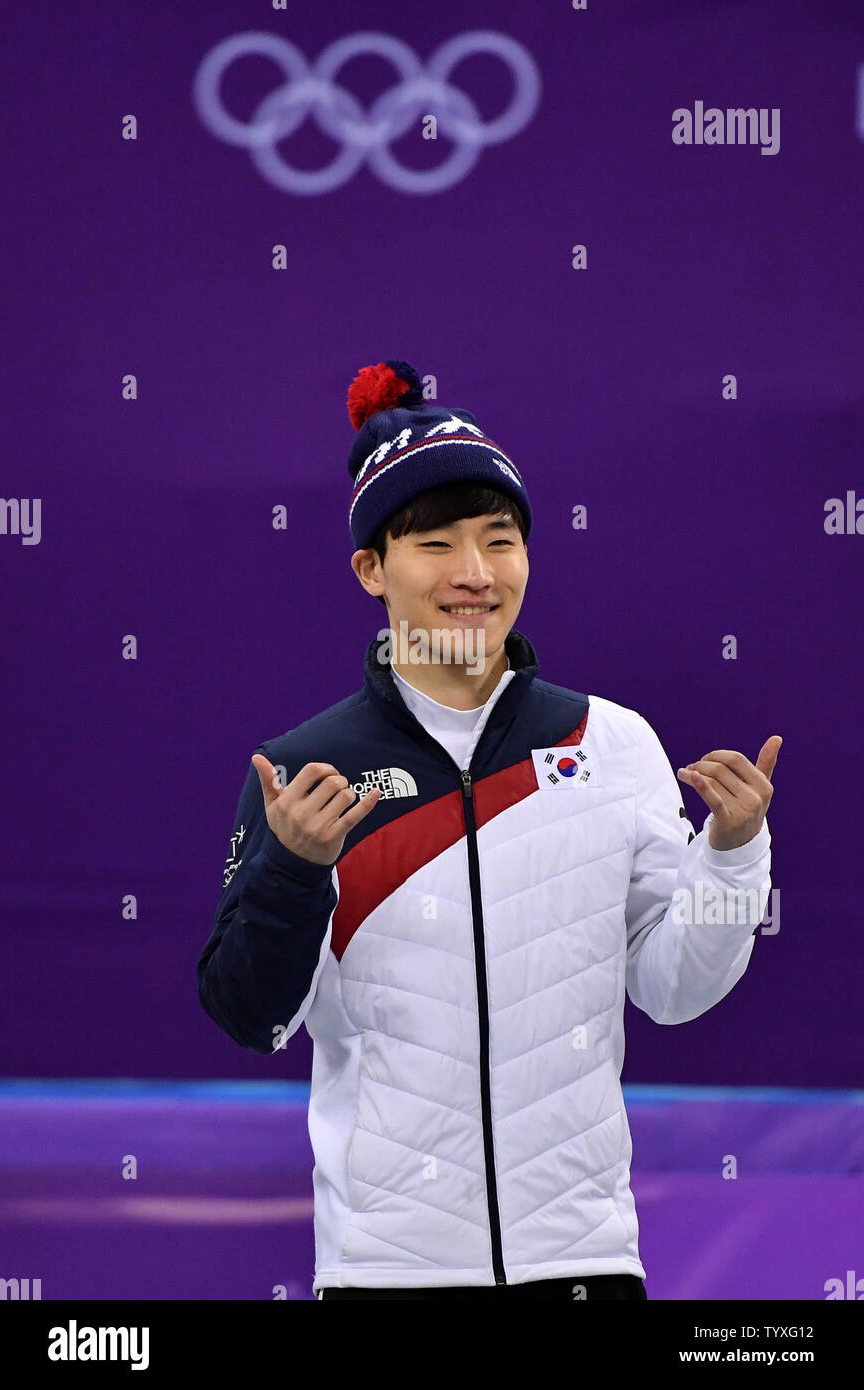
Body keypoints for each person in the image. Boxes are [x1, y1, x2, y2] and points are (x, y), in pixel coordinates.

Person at [197, 359, 780, 1301]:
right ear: (371, 570)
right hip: (386, 1274)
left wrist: (732, 853)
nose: (474, 575)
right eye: (435, 544)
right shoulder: (304, 774)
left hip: (585, 1263)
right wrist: (293, 871)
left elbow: (673, 991)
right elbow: (250, 1019)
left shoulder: (611, 743)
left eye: (499, 541)